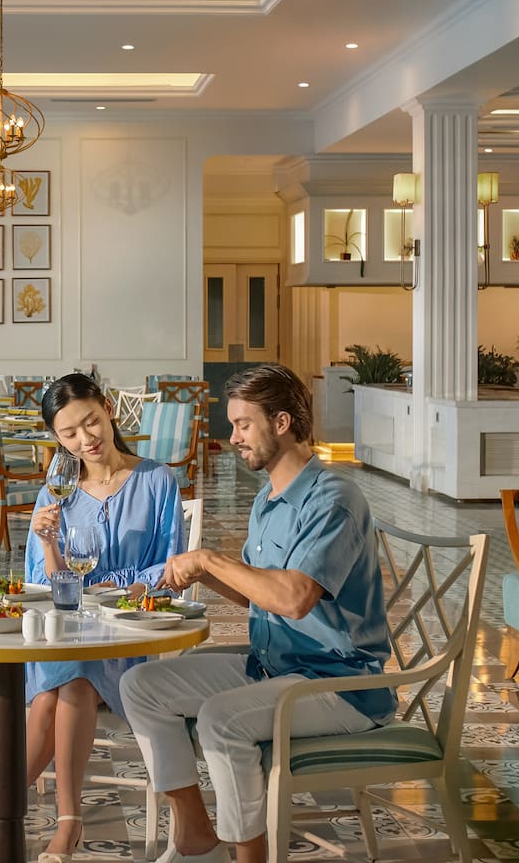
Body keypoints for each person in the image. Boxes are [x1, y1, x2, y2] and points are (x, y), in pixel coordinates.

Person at [119, 363, 391, 863]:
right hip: (275, 667)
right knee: (142, 686)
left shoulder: (334, 498)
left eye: (244, 424)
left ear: (282, 423)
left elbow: (294, 598)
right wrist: (198, 573)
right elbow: (258, 594)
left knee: (221, 718)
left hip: (340, 684)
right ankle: (197, 838)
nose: (234, 436)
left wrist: (209, 559)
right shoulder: (268, 498)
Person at [0, 373, 187, 863]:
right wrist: (45, 541)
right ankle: (66, 824)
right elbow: (49, 590)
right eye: (70, 434)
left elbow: (169, 568)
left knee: (71, 684)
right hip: (66, 632)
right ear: (57, 439)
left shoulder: (157, 480)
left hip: (124, 636)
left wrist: (127, 587)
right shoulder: (55, 493)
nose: (86, 439)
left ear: (107, 409)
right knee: (58, 687)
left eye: (91, 422)